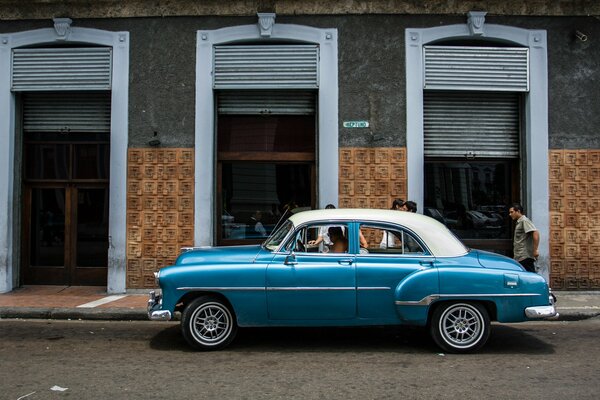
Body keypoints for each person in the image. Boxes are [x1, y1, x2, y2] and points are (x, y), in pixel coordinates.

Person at [509, 203, 539, 273]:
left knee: (531, 277)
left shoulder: (524, 221)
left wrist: (535, 250)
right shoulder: (519, 222)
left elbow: (535, 233)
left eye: (511, 212)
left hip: (525, 257)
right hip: (520, 256)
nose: (510, 214)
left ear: (518, 211)